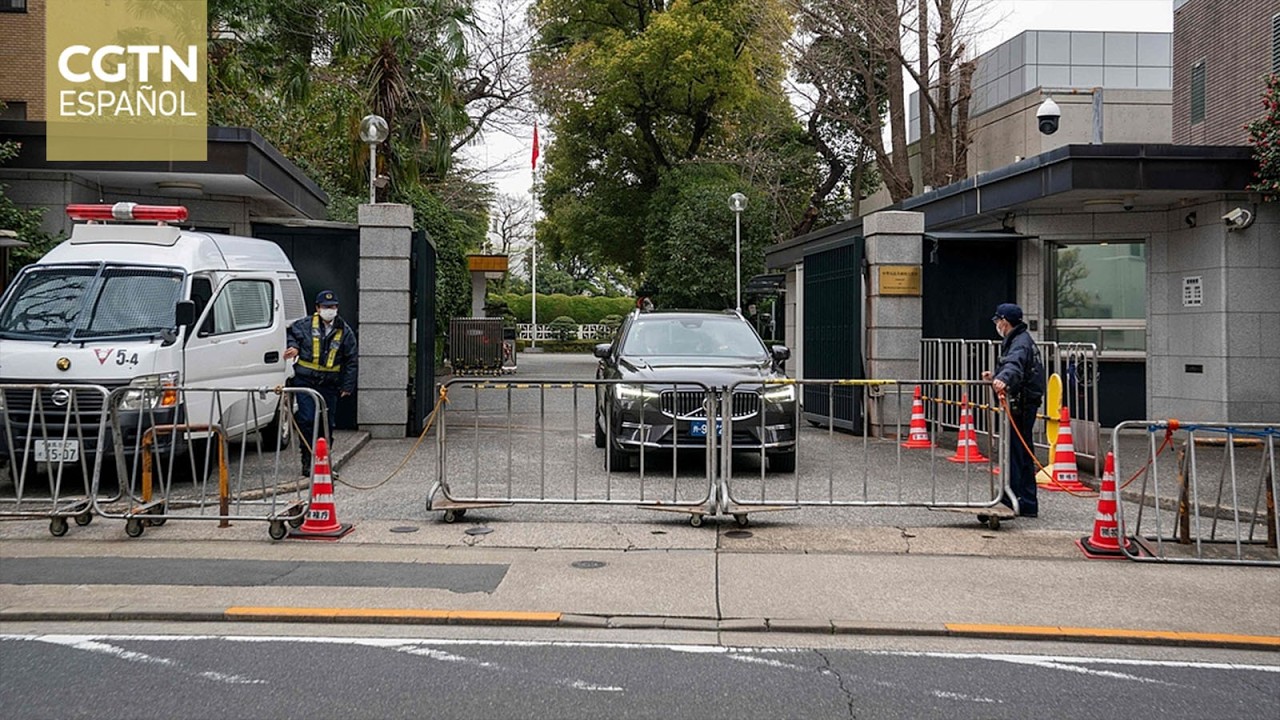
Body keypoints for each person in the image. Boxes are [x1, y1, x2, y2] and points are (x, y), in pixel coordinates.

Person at [284, 290, 358, 476]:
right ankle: (308, 459)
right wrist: (293, 347)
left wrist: (348, 386)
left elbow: (351, 360)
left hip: (329, 385)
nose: (329, 310)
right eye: (325, 307)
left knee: (327, 423)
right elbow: (291, 335)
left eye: (332, 307)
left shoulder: (344, 330)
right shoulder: (304, 325)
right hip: (306, 381)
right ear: (317, 308)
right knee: (307, 419)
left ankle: (323, 460)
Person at [982, 302, 1045, 517]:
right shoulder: (1019, 339)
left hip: (1022, 404)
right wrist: (997, 377)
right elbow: (1013, 365)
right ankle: (1022, 501)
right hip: (1024, 401)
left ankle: (1015, 500)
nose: (997, 325)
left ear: (1005, 322)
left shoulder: (1019, 343)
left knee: (1017, 453)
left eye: (998, 321)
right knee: (1020, 452)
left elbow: (1015, 365)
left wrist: (1003, 378)